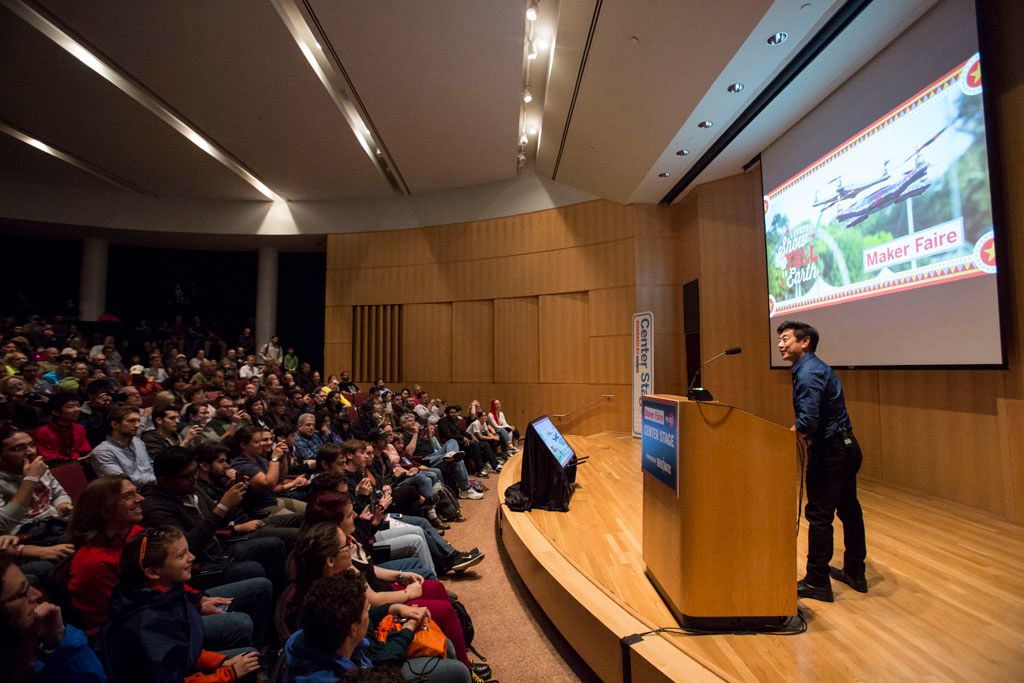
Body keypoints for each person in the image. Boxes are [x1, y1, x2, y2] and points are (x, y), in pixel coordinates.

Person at [98, 526, 261, 683]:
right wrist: (229, 674)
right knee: (249, 661)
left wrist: (220, 663)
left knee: (250, 659)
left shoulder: (166, 592)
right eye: (181, 555)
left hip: (180, 670)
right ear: (153, 572)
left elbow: (185, 652)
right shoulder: (147, 624)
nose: (192, 558)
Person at [777, 321, 867, 602]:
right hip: (846, 447)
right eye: (779, 339)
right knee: (849, 510)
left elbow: (808, 420)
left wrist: (779, 443)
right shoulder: (814, 368)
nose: (780, 344)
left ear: (805, 342)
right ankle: (855, 571)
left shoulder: (809, 373)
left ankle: (817, 580)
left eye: (786, 339)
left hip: (830, 452)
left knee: (819, 515)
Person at [284, 570, 472, 683]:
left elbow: (369, 619)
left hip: (371, 664)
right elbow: (382, 661)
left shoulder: (321, 630)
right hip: (380, 668)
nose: (370, 614)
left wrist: (395, 608)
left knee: (446, 645)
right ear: (353, 629)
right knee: (459, 672)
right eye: (366, 610)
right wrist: (409, 627)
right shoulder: (334, 678)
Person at [0, 555, 107, 683]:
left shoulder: (24, 645)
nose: (37, 594)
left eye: (28, 585)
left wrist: (58, 640)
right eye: (22, 592)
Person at [89, 405, 155, 487]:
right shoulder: (102, 452)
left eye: (138, 421)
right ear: (115, 424)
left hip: (153, 488)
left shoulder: (138, 442)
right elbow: (121, 481)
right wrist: (156, 480)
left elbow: (150, 465)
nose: (137, 425)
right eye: (131, 421)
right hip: (129, 494)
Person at [30, 393, 92, 462]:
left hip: (80, 463)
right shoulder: (42, 432)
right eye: (71, 407)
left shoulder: (78, 427)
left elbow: (85, 450)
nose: (77, 409)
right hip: (56, 467)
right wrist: (73, 460)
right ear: (56, 412)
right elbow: (48, 458)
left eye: (78, 406)